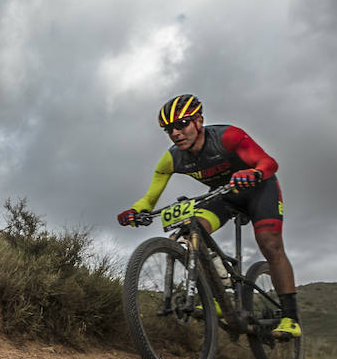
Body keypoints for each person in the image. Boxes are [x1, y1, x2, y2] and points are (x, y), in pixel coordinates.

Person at [117, 94, 302, 339]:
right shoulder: (172, 159)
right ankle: (221, 294)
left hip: (259, 190)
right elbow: (149, 199)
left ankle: (290, 318)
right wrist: (136, 210)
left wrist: (255, 173)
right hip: (224, 195)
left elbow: (268, 162)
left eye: (182, 124)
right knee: (192, 233)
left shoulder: (227, 137)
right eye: (169, 129)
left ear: (199, 121)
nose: (175, 133)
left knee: (270, 244)